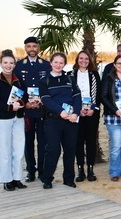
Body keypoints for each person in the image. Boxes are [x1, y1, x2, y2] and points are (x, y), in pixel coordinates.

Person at [39, 53, 82, 189]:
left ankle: (68, 179)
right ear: (51, 63)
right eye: (55, 62)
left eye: (61, 63)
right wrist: (60, 111)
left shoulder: (70, 78)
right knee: (53, 149)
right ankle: (47, 179)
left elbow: (77, 97)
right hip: (53, 120)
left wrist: (75, 113)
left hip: (70, 120)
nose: (58, 65)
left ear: (64, 64)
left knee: (70, 149)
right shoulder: (44, 80)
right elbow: (46, 99)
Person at [14, 36, 50, 182]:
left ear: (38, 48)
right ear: (25, 48)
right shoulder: (18, 65)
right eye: (29, 46)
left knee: (42, 142)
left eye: (34, 46)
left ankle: (42, 171)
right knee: (28, 142)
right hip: (27, 111)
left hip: (42, 110)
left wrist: (43, 101)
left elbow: (48, 87)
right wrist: (24, 103)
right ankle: (31, 171)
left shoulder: (46, 65)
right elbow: (16, 88)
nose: (32, 49)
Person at [0, 50, 27, 191]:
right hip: (3, 119)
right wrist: (9, 107)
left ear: (14, 65)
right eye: (5, 63)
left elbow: (24, 97)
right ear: (1, 64)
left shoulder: (18, 80)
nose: (8, 65)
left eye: (11, 63)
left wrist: (21, 103)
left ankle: (17, 178)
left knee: (18, 150)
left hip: (18, 118)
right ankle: (6, 180)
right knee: (4, 150)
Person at [70, 51, 101, 182]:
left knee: (90, 141)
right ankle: (80, 170)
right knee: (78, 141)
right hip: (77, 113)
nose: (84, 61)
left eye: (86, 59)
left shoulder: (94, 75)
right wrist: (78, 110)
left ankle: (90, 169)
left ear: (90, 61)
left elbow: (98, 94)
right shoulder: (70, 75)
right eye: (81, 58)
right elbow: (69, 95)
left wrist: (92, 108)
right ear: (77, 60)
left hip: (91, 113)